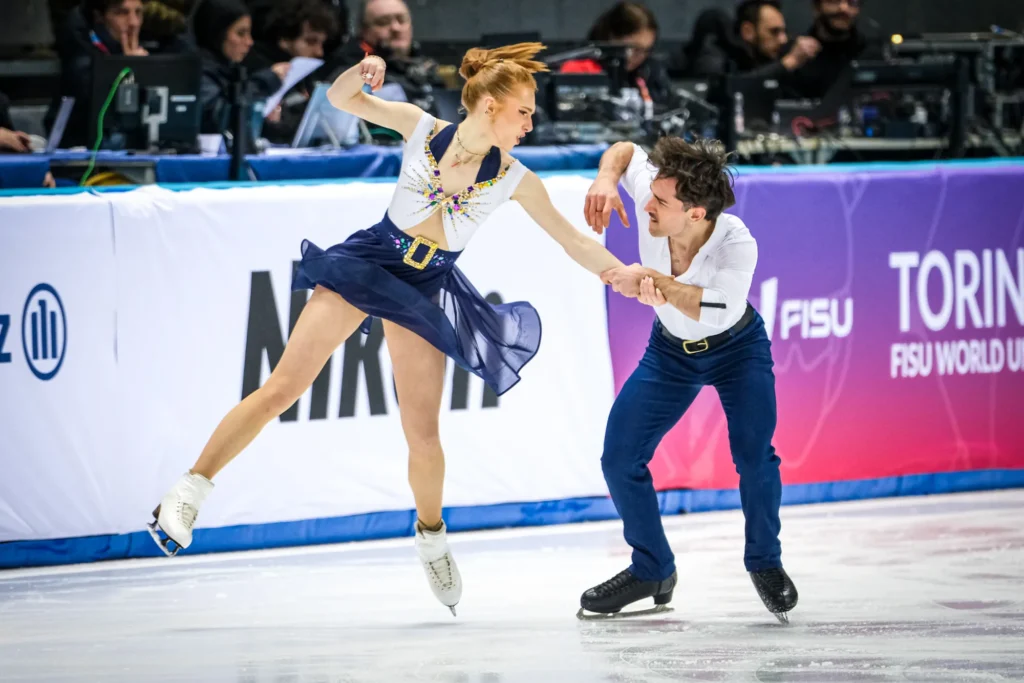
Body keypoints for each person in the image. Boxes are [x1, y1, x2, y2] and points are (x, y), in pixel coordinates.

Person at [147, 42, 633, 616]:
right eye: (524, 111)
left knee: (422, 432)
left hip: (428, 288)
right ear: (491, 106)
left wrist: (623, 273)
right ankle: (188, 492)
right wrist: (364, 71)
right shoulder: (421, 129)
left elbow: (572, 239)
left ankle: (431, 537)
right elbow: (342, 96)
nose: (532, 122)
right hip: (370, 262)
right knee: (282, 387)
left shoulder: (515, 178)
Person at [577, 137, 798, 623]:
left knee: (754, 454)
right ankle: (652, 568)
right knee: (619, 458)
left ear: (696, 214)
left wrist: (649, 281)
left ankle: (766, 561)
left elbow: (721, 310)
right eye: (650, 194)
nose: (647, 205)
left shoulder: (736, 242)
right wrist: (605, 179)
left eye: (661, 202)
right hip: (670, 353)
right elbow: (624, 148)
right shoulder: (656, 198)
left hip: (737, 351)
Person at [46, 0, 151, 148]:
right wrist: (129, 68)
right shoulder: (81, 59)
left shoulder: (145, 53)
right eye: (122, 13)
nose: (133, 22)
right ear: (99, 16)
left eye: (138, 13)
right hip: (80, 156)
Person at [192, 0, 288, 135]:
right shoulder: (198, 73)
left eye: (249, 33)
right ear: (217, 34)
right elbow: (219, 117)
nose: (249, 42)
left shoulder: (231, 71)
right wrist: (264, 83)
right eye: (241, 33)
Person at [559, 1, 675, 112]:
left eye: (646, 50)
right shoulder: (581, 69)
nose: (639, 56)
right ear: (612, 37)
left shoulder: (649, 73)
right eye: (634, 48)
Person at [788, 0, 883, 99]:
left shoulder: (871, 54)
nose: (844, 8)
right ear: (816, 7)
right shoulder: (796, 55)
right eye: (834, 1)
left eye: (852, 2)